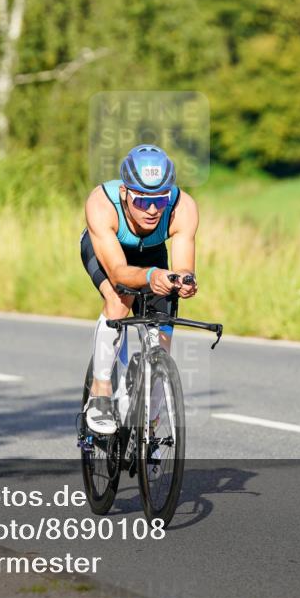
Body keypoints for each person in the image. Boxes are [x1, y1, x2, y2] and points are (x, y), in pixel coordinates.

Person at [79, 144, 199, 434]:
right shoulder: (102, 203)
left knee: (161, 339)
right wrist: (150, 276)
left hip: (152, 256)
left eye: (160, 199)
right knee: (119, 298)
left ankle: (151, 426)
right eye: (143, 202)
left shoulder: (182, 207)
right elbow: (118, 272)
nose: (154, 210)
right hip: (110, 252)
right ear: (125, 192)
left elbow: (183, 265)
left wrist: (184, 281)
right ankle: (100, 392)